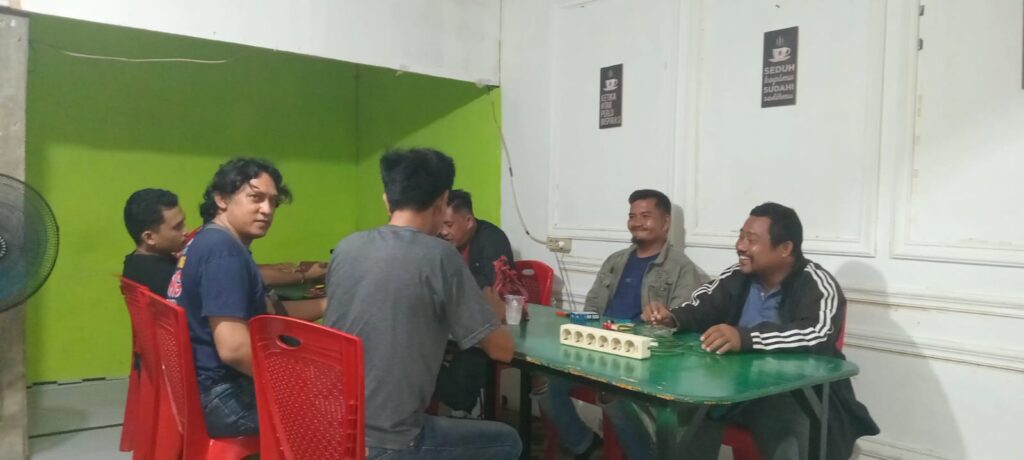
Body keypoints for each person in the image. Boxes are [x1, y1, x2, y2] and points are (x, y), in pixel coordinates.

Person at [325, 148, 521, 459]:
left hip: (329, 429)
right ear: (442, 202)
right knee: (509, 441)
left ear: (386, 200)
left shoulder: (346, 248)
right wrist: (493, 312)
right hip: (390, 442)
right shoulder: (440, 255)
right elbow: (502, 351)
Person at [642, 202, 879, 459]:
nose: (740, 246)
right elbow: (702, 307)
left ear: (785, 248)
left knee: (787, 424)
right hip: (733, 388)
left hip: (793, 395)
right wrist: (672, 317)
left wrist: (745, 338)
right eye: (741, 236)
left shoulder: (816, 283)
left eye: (752, 240)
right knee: (687, 410)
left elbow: (817, 333)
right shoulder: (737, 275)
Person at [536, 189, 706, 460]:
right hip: (600, 347)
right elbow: (592, 306)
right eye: (632, 216)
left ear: (665, 222)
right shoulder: (615, 261)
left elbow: (681, 324)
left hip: (641, 357)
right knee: (543, 380)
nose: (637, 222)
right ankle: (585, 446)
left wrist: (660, 320)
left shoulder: (681, 268)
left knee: (614, 393)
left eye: (645, 216)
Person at [167, 158, 326, 438]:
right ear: (222, 199)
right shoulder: (224, 252)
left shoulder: (206, 240)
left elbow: (267, 309)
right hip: (221, 398)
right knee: (337, 405)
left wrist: (327, 304)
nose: (267, 209)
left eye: (273, 201)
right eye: (256, 198)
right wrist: (291, 382)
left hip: (197, 388)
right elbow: (234, 349)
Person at [435, 189, 515, 417]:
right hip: (450, 325)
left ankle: (466, 408)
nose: (443, 232)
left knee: (462, 373)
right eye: (441, 225)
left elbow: (489, 293)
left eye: (449, 225)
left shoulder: (492, 241)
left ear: (468, 221)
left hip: (487, 327)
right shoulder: (441, 242)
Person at [122, 188, 187, 294]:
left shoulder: (132, 265)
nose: (185, 232)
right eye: (177, 227)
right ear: (149, 237)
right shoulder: (168, 277)